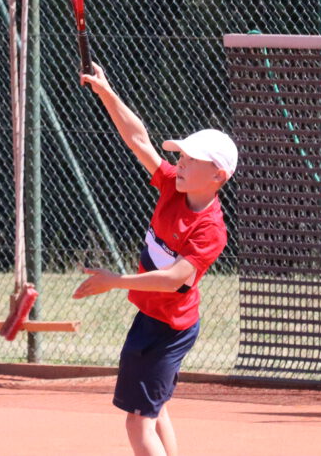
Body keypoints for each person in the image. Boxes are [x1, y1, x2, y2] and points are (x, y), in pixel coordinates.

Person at [72, 63, 237, 456]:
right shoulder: (173, 188)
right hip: (153, 319)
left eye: (190, 159)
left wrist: (116, 281)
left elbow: (176, 278)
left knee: (138, 422)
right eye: (180, 156)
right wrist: (108, 94)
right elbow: (139, 140)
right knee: (156, 408)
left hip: (169, 329)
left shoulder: (211, 229)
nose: (180, 162)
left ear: (217, 175)